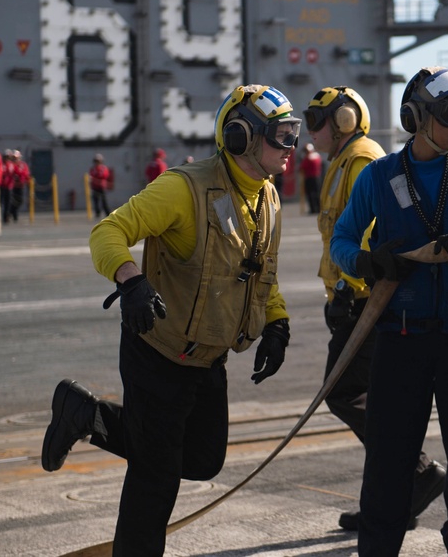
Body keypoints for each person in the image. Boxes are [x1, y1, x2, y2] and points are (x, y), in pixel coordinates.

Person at [40, 84, 300, 556]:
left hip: (207, 357)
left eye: (292, 134)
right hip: (157, 351)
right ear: (241, 137)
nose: (291, 147)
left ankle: (85, 414)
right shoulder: (184, 188)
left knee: (202, 460)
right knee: (154, 478)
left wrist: (276, 324)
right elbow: (108, 230)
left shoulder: (267, 198)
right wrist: (130, 281)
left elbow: (264, 273)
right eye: (281, 136)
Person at [330, 67, 448, 557]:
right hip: (400, 341)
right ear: (415, 116)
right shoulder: (380, 177)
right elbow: (342, 239)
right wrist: (363, 261)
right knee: (388, 461)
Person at [304, 85, 448, 532]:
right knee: (362, 398)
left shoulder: (362, 158)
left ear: (344, 120)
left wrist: (350, 288)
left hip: (366, 300)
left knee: (350, 396)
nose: (310, 131)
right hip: (353, 297)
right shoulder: (341, 162)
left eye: (317, 120)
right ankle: (396, 497)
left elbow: (372, 229)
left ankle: (416, 474)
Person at [299, 141, 323, 214]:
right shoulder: (317, 156)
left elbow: (302, 167)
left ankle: (313, 208)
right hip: (317, 177)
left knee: (310, 194)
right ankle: (318, 208)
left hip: (309, 178)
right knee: (317, 193)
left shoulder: (308, 158)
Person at [7, 150, 30, 223]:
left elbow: (26, 174)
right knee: (13, 201)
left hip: (21, 185)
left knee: (19, 201)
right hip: (13, 185)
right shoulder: (11, 165)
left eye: (16, 158)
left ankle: (12, 213)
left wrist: (28, 181)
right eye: (14, 158)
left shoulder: (23, 165)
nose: (15, 159)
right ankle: (14, 215)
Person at [89, 154, 113, 218]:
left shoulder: (103, 168)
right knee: (95, 200)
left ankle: (107, 213)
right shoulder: (93, 169)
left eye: (98, 161)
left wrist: (96, 178)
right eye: (96, 161)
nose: (97, 162)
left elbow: (105, 175)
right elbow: (91, 176)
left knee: (104, 200)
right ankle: (97, 213)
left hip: (102, 187)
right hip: (95, 187)